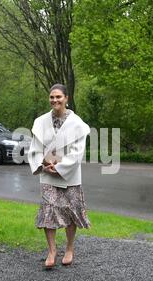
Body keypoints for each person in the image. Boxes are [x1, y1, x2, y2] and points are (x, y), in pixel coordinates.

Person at [28, 83, 91, 269]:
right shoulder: (40, 121)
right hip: (48, 174)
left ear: (66, 99)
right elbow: (34, 148)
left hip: (69, 175)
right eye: (52, 97)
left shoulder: (77, 124)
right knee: (48, 212)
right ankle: (52, 251)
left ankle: (69, 249)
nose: (55, 100)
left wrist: (61, 167)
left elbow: (78, 152)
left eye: (58, 97)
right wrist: (42, 164)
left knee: (71, 212)